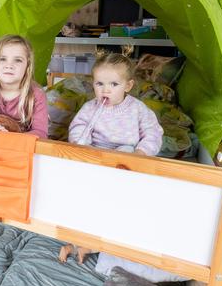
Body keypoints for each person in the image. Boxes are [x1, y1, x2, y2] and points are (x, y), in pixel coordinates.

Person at [58, 46, 163, 264]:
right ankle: (78, 237)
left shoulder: (138, 109)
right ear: (93, 84)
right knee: (78, 187)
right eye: (100, 84)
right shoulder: (90, 107)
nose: (106, 90)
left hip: (127, 155)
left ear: (128, 85)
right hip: (96, 154)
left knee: (120, 191)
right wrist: (81, 144)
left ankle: (108, 236)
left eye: (114, 84)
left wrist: (142, 152)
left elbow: (153, 132)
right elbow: (78, 127)